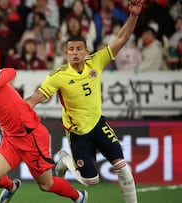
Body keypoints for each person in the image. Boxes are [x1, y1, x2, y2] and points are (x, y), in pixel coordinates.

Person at [25, 1, 144, 203]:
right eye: (70, 49)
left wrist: (133, 15)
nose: (74, 52)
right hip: (78, 131)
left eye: (79, 48)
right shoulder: (58, 76)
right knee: (91, 181)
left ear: (86, 50)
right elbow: (36, 97)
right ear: (66, 52)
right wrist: (20, 109)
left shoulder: (95, 61)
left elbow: (122, 38)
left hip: (98, 123)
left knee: (122, 166)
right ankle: (63, 159)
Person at [0, 47, 88, 203]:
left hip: (31, 135)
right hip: (11, 139)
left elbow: (11, 72)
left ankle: (79, 196)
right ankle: (11, 187)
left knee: (46, 185)